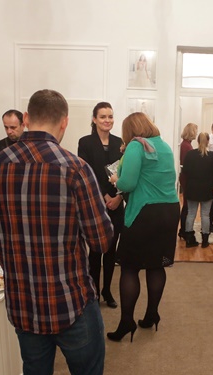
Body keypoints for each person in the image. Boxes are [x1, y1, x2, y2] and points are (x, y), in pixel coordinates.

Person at [0, 89, 118, 375]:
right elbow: (102, 240)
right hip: (72, 300)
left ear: (25, 118)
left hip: (23, 302)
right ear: (64, 122)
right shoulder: (74, 168)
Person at [107, 112, 179, 342]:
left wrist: (115, 180)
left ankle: (126, 322)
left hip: (145, 212)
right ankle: (151, 315)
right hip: (169, 211)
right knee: (156, 265)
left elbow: (128, 183)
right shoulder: (164, 146)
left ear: (130, 130)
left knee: (130, 268)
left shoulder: (136, 146)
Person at [78, 102, 125, 309]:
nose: (107, 120)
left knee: (111, 251)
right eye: (103, 116)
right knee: (96, 250)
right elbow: (86, 173)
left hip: (117, 202)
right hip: (96, 203)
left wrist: (119, 197)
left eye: (110, 116)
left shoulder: (120, 142)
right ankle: (94, 291)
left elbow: (125, 172)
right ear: (94, 119)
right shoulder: (85, 142)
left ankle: (107, 290)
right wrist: (105, 195)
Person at [182, 132, 213, 248]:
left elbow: (185, 171)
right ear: (208, 142)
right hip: (207, 189)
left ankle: (189, 239)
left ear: (197, 141)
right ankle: (205, 240)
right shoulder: (212, 156)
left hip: (192, 188)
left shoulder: (190, 154)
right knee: (205, 215)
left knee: (191, 214)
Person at [178, 123, 198, 240]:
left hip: (185, 177)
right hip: (187, 178)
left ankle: (183, 230)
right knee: (186, 205)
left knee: (186, 205)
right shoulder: (187, 146)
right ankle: (184, 230)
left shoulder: (186, 145)